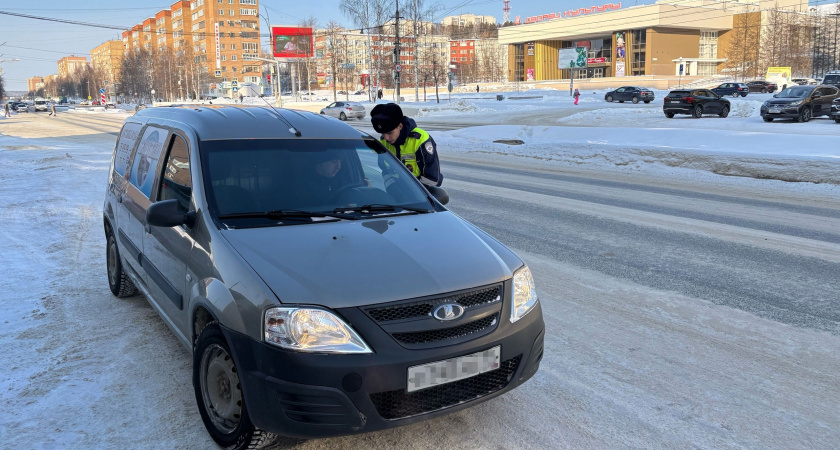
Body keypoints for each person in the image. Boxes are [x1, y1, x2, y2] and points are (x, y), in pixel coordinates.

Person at [370, 103, 442, 187]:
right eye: (382, 133)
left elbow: (431, 178)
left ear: (400, 126)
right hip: (396, 192)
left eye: (389, 133)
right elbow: (385, 169)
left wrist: (413, 193)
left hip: (420, 194)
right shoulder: (383, 143)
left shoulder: (420, 140)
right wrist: (391, 187)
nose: (386, 138)